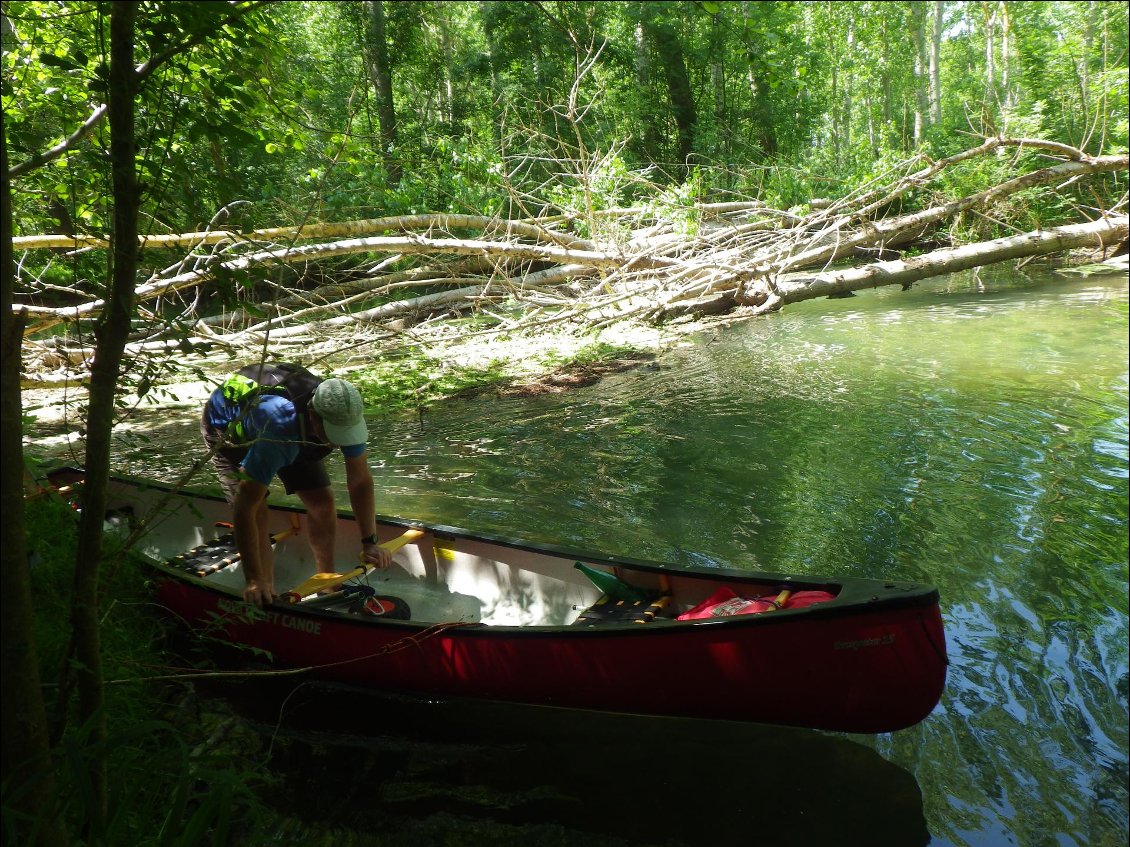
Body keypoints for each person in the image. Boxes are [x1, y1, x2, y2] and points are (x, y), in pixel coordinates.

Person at [200, 362, 391, 606]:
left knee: (322, 503)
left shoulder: (345, 414)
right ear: (313, 417)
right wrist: (253, 579)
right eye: (334, 435)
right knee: (257, 510)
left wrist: (370, 543)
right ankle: (265, 591)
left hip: (294, 433)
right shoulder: (279, 432)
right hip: (227, 431)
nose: (338, 443)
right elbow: (244, 509)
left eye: (345, 434)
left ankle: (327, 584)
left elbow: (360, 481)